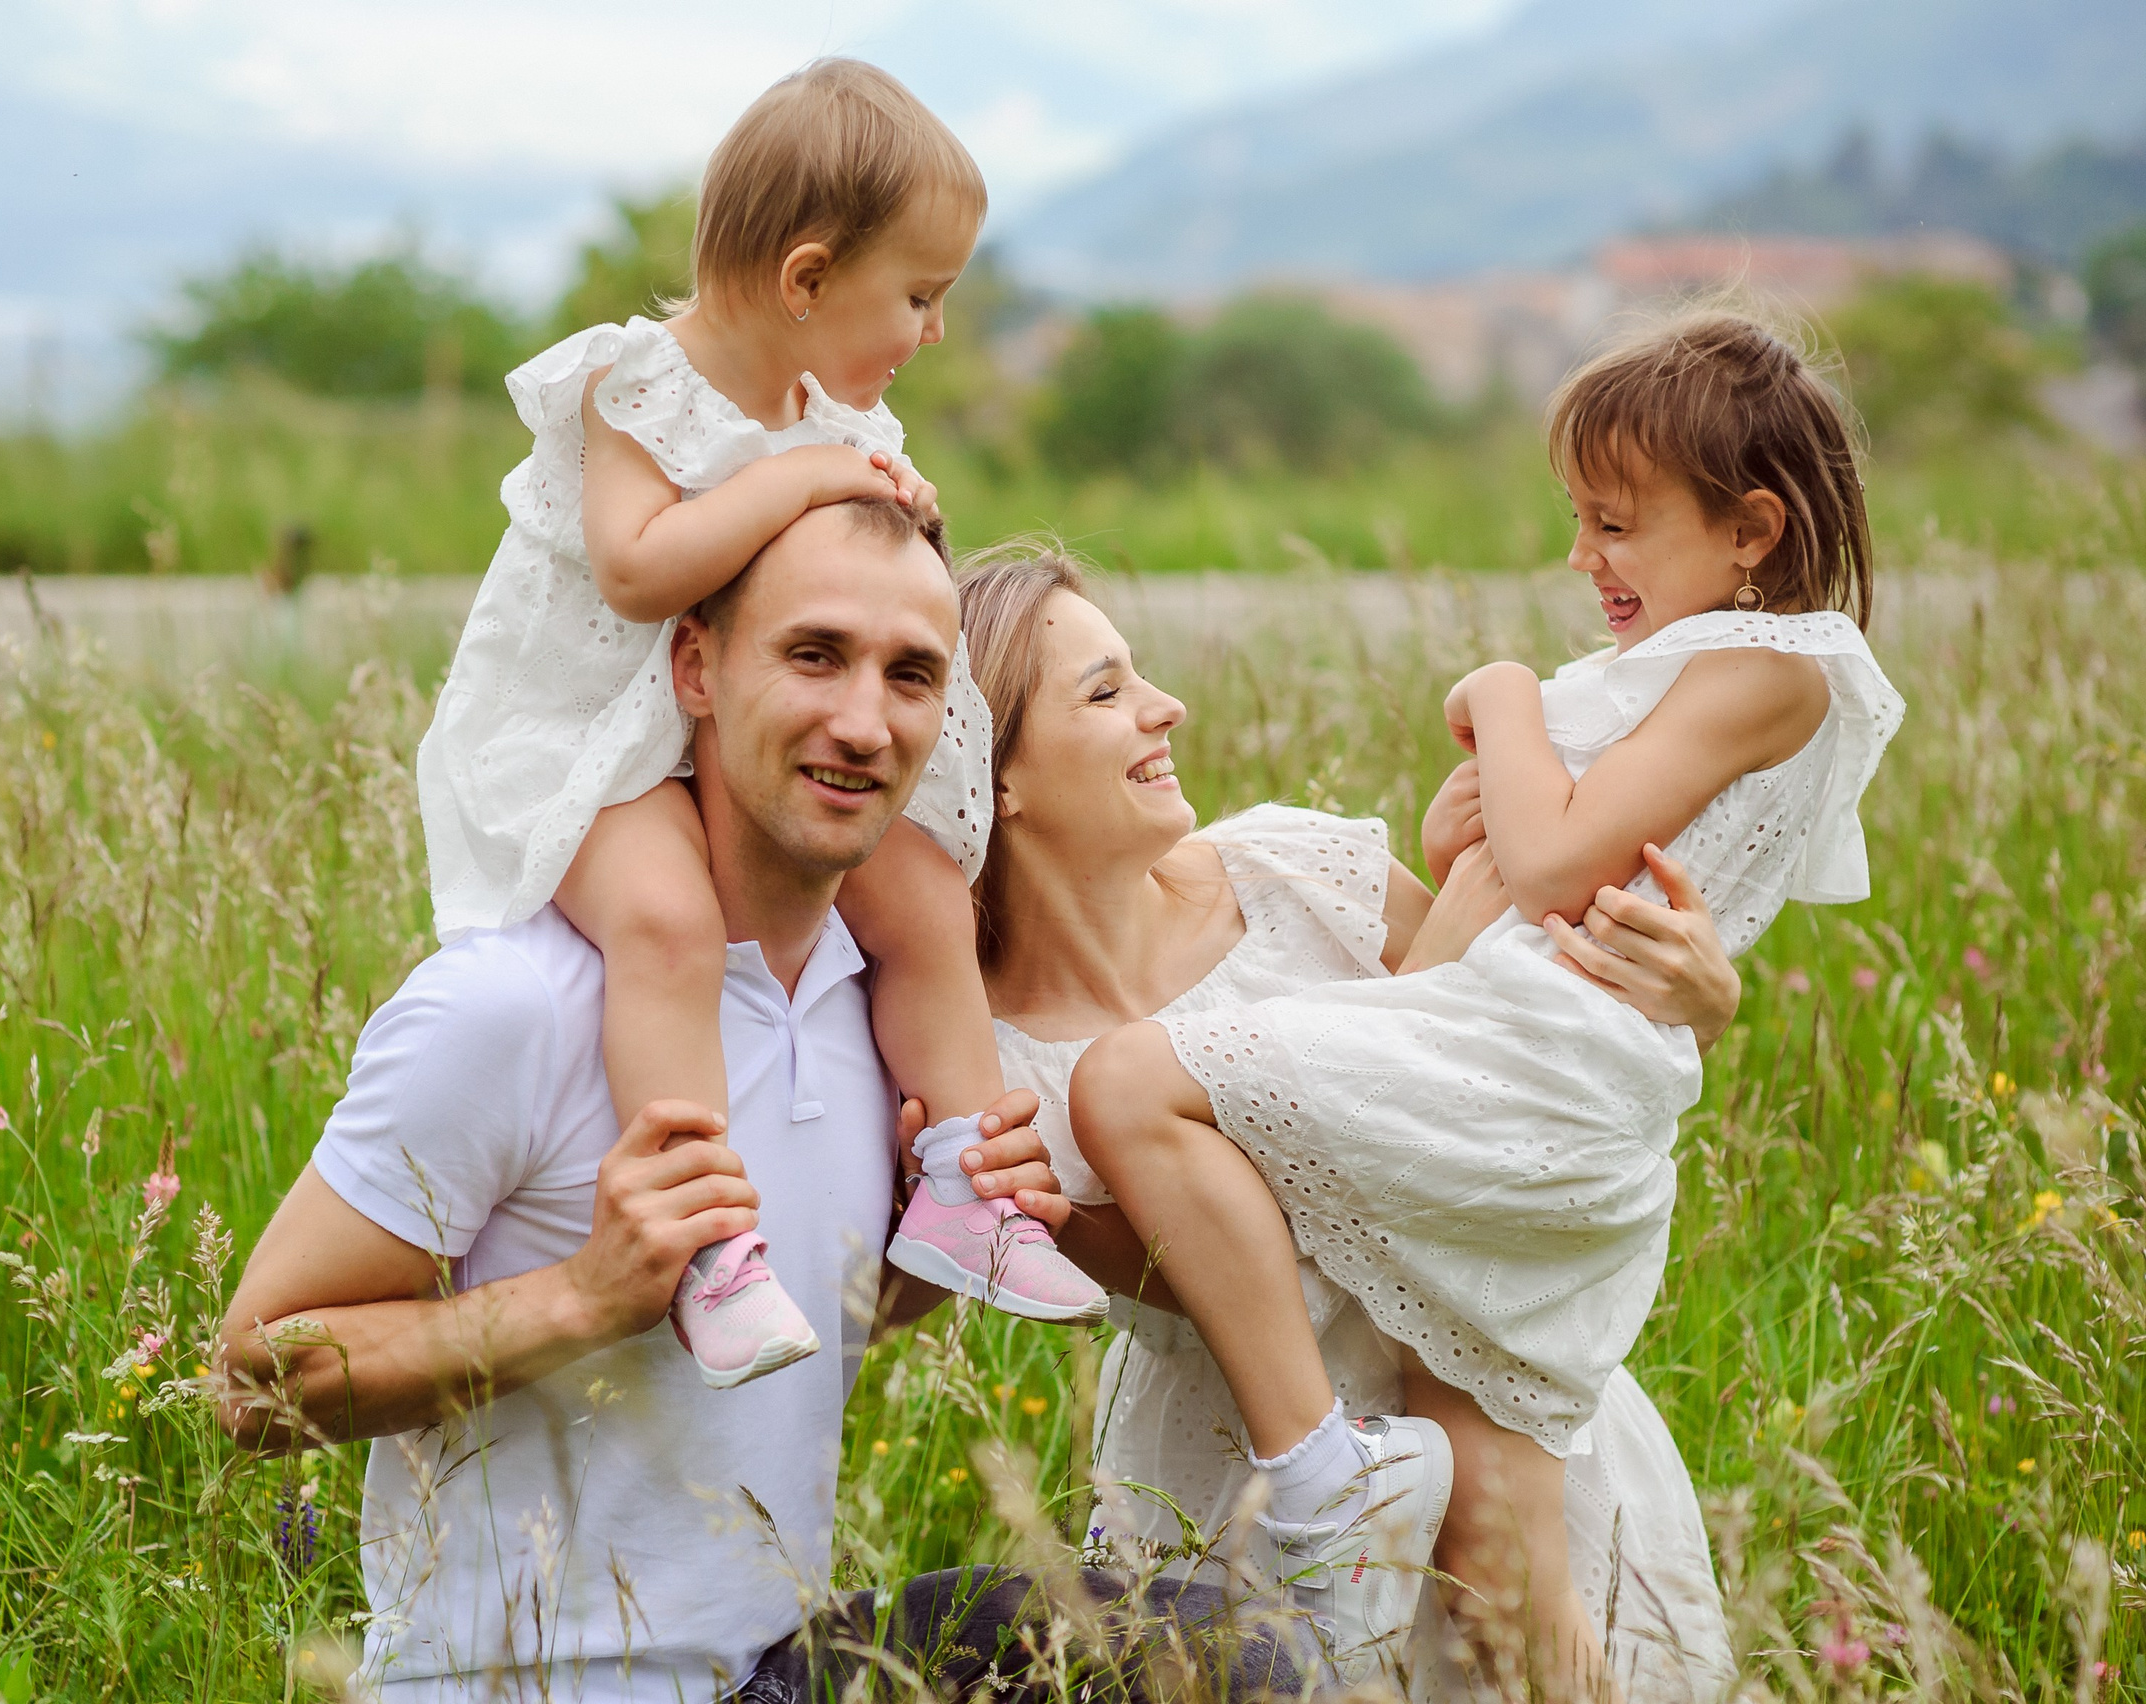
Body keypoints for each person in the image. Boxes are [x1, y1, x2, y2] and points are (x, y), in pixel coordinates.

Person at [217, 501, 1331, 1704]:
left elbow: (810, 1330)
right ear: (696, 668)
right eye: (814, 655)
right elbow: (254, 1379)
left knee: (1221, 1658)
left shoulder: (884, 1014)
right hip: (531, 1684)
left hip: (778, 1669)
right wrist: (580, 1296)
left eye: (910, 676)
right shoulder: (514, 1007)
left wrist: (917, 1248)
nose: (863, 722)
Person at [1067, 312, 1906, 1692]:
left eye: (1615, 525)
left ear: (1751, 529)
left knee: (1127, 1080)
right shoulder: (1673, 675)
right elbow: (1531, 872)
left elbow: (1564, 864)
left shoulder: (1772, 668)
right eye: (1578, 521)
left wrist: (1507, 696)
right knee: (1497, 1559)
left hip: (1540, 1063)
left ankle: (1319, 1478)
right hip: (1510, 1038)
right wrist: (1467, 833)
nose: (1583, 558)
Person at [415, 58, 1102, 1391]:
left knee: (923, 896)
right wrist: (807, 479)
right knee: (668, 926)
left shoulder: (830, 416)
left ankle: (963, 1180)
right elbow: (637, 569)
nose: (933, 332)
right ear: (806, 279)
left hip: (734, 734)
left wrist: (887, 509)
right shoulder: (637, 384)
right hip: (589, 744)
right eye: (919, 296)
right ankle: (705, 1247)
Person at [949, 546, 1742, 1698]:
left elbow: (1532, 1072)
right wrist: (1059, 1224)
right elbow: (1230, 1282)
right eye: (1105, 692)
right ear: (994, 778)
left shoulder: (1293, 872)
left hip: (1494, 1399)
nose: (1165, 707)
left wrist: (1700, 1008)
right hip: (1255, 1488)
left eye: (1139, 674)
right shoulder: (991, 1062)